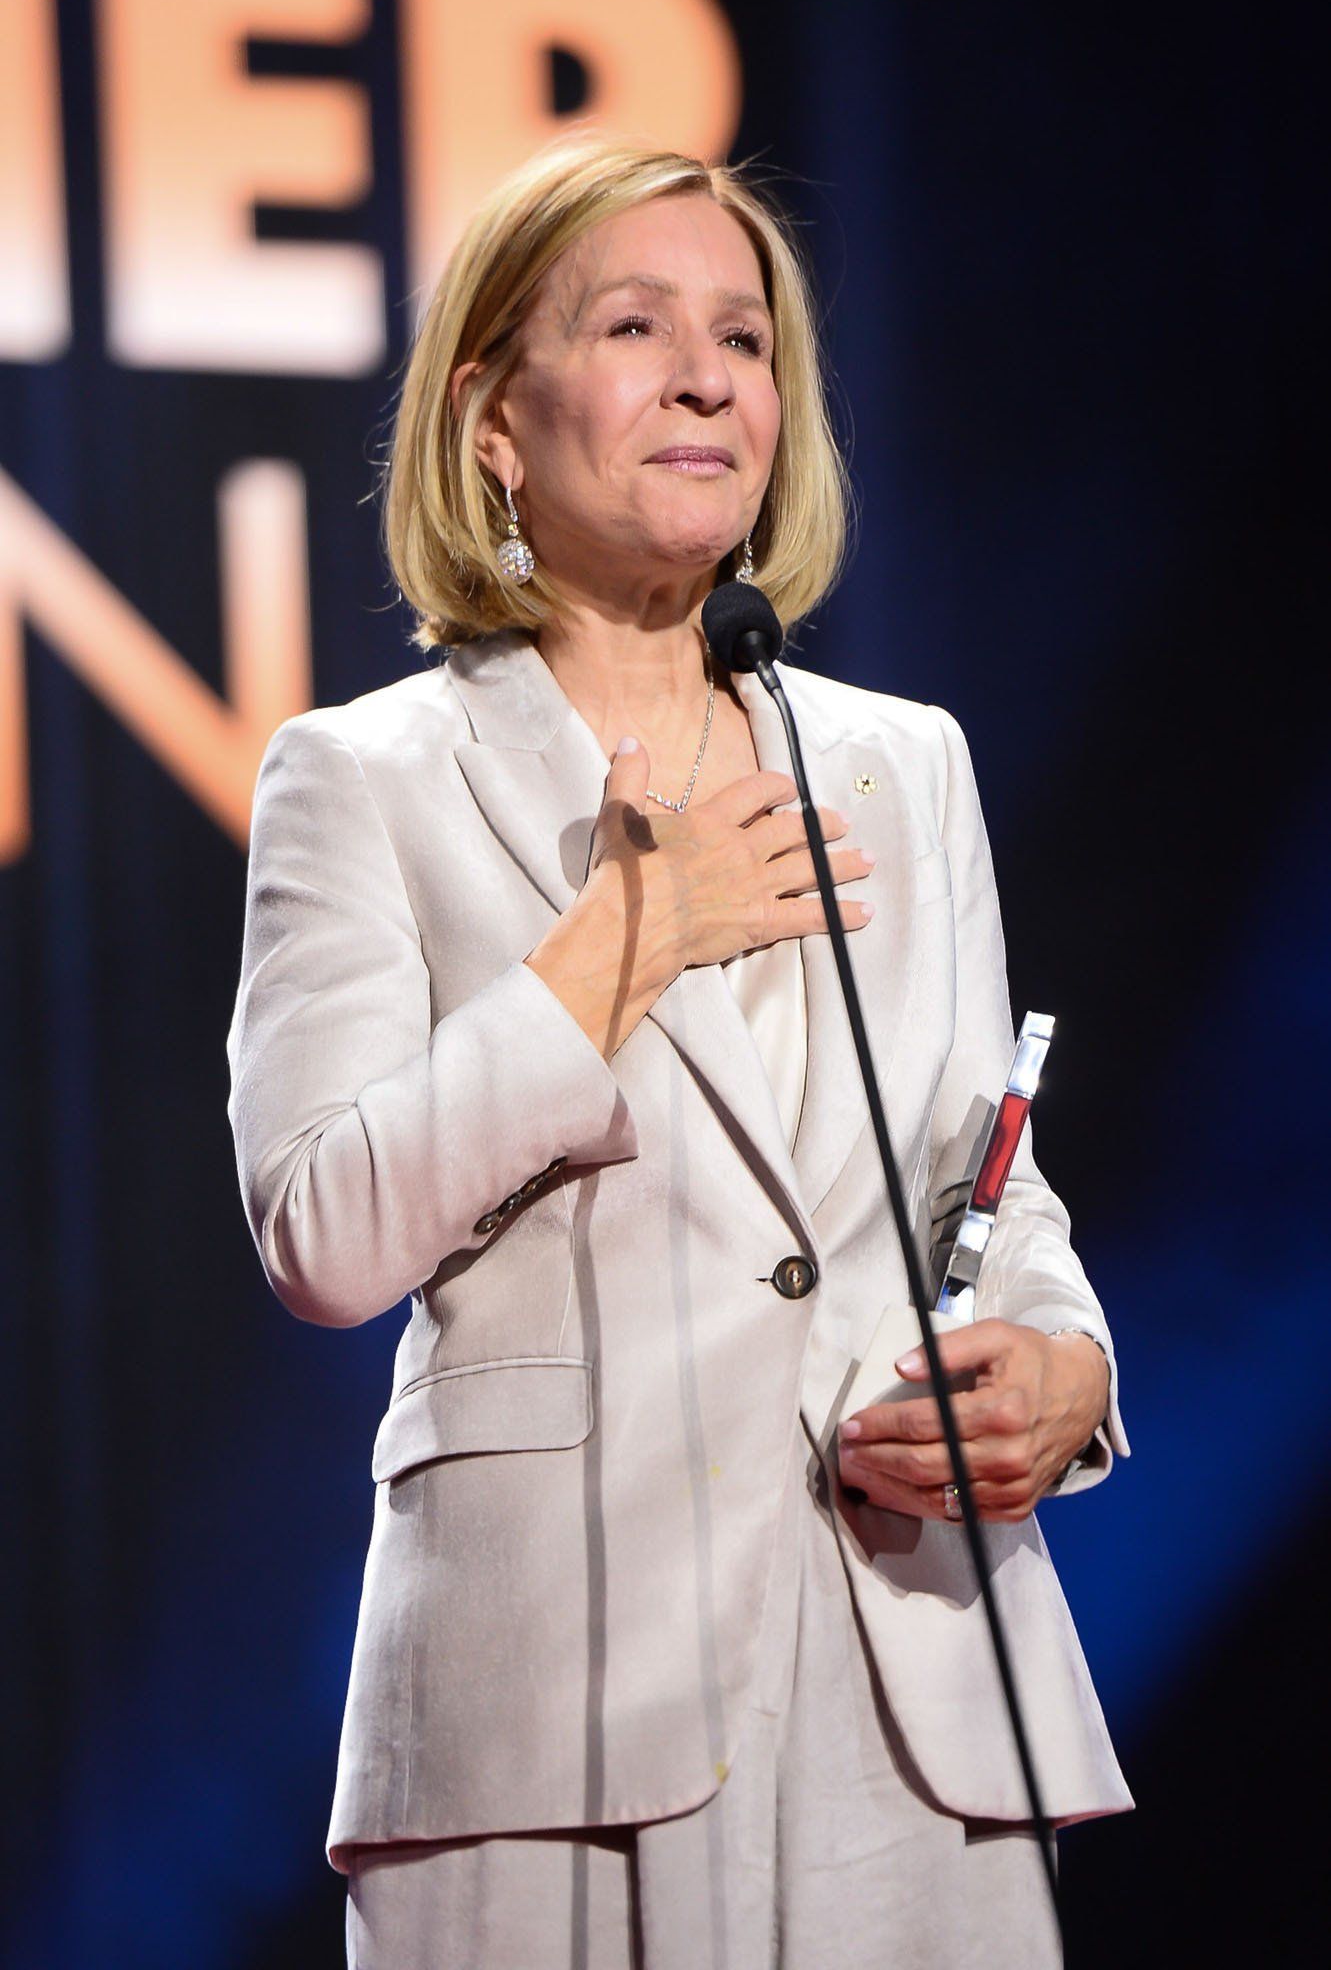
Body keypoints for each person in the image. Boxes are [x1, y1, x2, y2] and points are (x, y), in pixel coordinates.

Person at [226, 134, 1131, 1970]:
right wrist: (624, 939)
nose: (710, 377)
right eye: (636, 326)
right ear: (494, 418)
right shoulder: (365, 777)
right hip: (555, 1705)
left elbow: (983, 1175)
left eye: (745, 337)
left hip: (909, 1678)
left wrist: (1063, 1366)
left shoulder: (904, 762)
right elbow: (322, 1230)